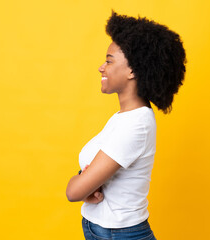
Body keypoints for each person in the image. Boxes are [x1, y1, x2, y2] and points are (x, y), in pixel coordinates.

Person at [66, 10, 186, 240]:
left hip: (120, 235)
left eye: (109, 61)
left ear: (133, 70)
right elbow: (89, 178)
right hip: (106, 231)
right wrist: (85, 180)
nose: (102, 67)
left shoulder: (136, 125)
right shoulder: (124, 118)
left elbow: (74, 192)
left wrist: (80, 183)